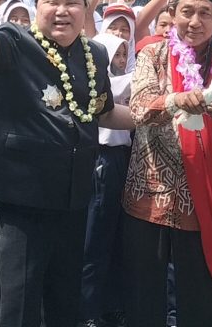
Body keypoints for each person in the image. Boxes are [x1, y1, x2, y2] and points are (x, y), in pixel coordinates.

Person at [0, 0, 132, 326]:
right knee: (19, 308)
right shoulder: (15, 42)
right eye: (52, 1)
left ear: (85, 10)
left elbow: (102, 112)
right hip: (22, 203)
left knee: (65, 304)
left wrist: (155, 115)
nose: (62, 10)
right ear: (38, 6)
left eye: (72, 2)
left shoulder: (95, 53)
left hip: (73, 199)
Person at [122, 0, 212, 327]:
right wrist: (174, 100)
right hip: (149, 195)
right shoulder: (153, 54)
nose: (195, 22)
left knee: (201, 301)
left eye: (204, 14)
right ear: (173, 13)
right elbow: (138, 109)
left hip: (204, 202)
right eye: (187, 12)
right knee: (143, 297)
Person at [80, 34, 133, 327]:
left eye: (125, 54)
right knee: (95, 235)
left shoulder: (125, 79)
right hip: (101, 158)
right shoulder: (100, 83)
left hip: (120, 161)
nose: (121, 61)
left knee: (114, 236)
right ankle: (87, 309)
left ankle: (110, 303)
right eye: (116, 54)